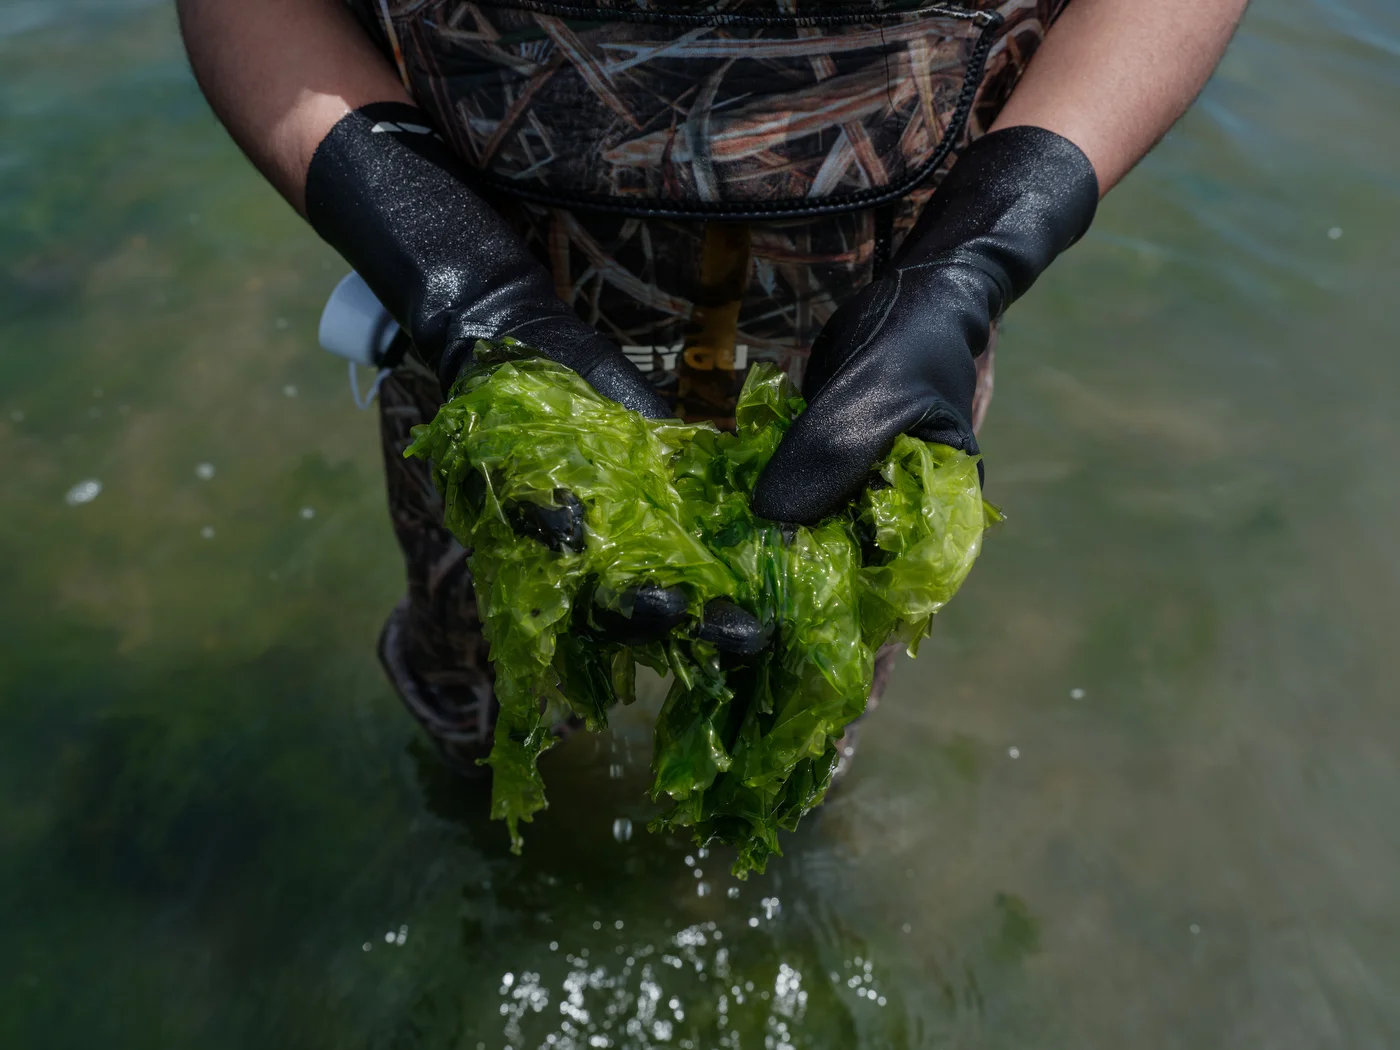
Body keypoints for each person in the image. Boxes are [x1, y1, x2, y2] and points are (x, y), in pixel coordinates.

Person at [176, 0, 1247, 777]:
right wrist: (462, 287)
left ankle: (765, 836)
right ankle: (479, 805)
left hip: (875, 342)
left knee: (802, 692)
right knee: (484, 667)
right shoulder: (469, 305)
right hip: (487, 334)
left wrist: (977, 254)